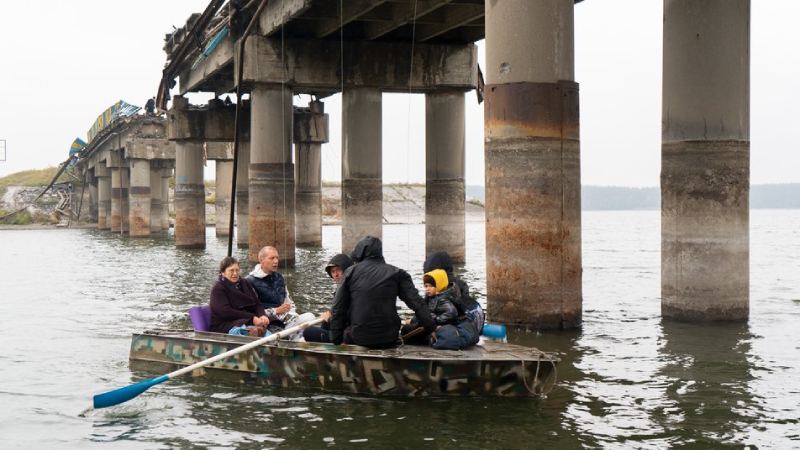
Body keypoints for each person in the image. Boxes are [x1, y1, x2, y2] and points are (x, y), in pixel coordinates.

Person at [330, 236, 436, 349]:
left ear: (360, 253)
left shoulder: (349, 273)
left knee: (345, 330)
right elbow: (417, 303)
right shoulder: (397, 273)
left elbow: (338, 308)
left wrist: (336, 340)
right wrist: (431, 328)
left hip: (359, 338)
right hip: (389, 337)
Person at [246, 246, 315, 339]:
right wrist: (276, 311)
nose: (276, 261)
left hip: (286, 320)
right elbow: (252, 313)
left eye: (277, 258)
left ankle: (296, 336)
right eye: (272, 258)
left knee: (310, 317)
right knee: (298, 336)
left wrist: (291, 313)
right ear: (261, 260)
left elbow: (289, 301)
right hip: (268, 325)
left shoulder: (279, 277)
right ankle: (296, 339)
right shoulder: (250, 282)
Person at [423, 251, 484, 349]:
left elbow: (427, 313)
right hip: (470, 330)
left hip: (452, 333)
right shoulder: (461, 284)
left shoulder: (438, 288)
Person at [209, 256, 270, 336]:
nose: (235, 273)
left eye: (237, 270)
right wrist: (252, 318)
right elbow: (225, 312)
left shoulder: (244, 283)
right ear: (223, 273)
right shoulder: (218, 288)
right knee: (255, 331)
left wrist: (262, 315)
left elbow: (256, 303)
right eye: (231, 270)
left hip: (246, 320)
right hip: (225, 325)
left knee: (271, 327)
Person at [303, 253, 353, 343]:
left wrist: (330, 318)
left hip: (348, 335)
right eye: (333, 272)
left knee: (308, 331)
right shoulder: (345, 288)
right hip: (346, 331)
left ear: (346, 270)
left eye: (338, 270)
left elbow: (348, 317)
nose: (336, 274)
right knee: (326, 322)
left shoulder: (348, 290)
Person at [400, 269, 459, 345]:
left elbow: (452, 313)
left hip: (435, 327)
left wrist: (433, 319)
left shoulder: (442, 299)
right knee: (406, 328)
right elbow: (422, 312)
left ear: (439, 285)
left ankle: (430, 339)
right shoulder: (430, 298)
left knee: (407, 331)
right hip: (428, 325)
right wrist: (412, 320)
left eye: (431, 286)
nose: (427, 289)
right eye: (426, 286)